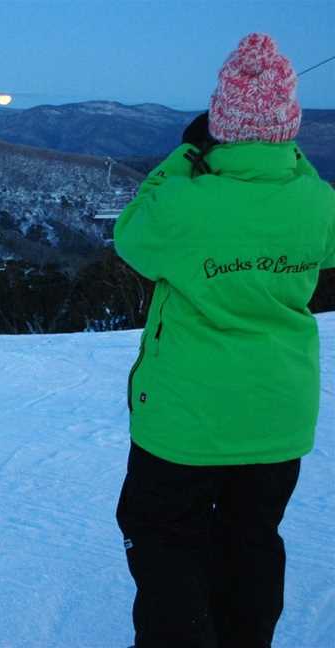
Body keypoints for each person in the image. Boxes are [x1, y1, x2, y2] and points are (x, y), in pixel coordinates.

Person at [113, 33, 335, 648]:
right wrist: (290, 165)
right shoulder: (318, 202)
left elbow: (131, 232)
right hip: (277, 419)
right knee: (252, 540)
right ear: (288, 125)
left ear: (219, 122)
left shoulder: (185, 203)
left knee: (165, 543)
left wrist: (186, 154)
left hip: (184, 424)